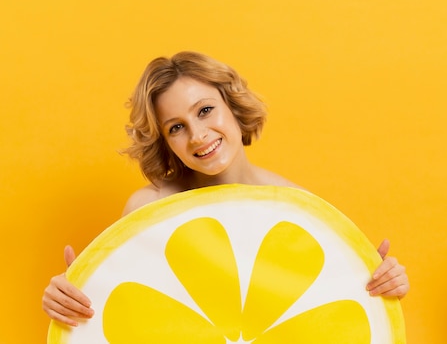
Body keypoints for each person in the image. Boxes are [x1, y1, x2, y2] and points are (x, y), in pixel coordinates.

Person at [43, 51, 409, 327]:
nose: (198, 135)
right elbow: (130, 310)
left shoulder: (298, 209)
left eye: (204, 111)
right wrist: (74, 293)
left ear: (231, 106)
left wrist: (378, 284)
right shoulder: (149, 210)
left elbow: (319, 310)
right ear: (165, 143)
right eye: (176, 127)